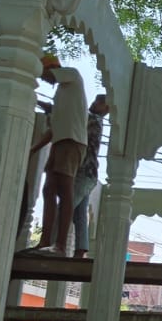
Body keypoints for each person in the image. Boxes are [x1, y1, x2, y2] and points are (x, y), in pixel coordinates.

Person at [21, 55, 90, 256]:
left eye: (45, 75)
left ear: (53, 68)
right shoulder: (61, 95)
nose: (46, 80)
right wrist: (33, 149)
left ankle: (60, 245)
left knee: (65, 189)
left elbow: (54, 76)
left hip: (72, 142)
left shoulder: (72, 76)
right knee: (49, 189)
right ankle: (45, 241)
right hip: (61, 143)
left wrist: (36, 70)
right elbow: (53, 129)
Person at [67, 93, 110, 258]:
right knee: (79, 213)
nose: (94, 104)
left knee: (65, 208)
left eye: (99, 103)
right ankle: (80, 249)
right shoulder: (96, 120)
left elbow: (73, 117)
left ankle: (52, 243)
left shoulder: (92, 119)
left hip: (84, 172)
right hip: (88, 174)